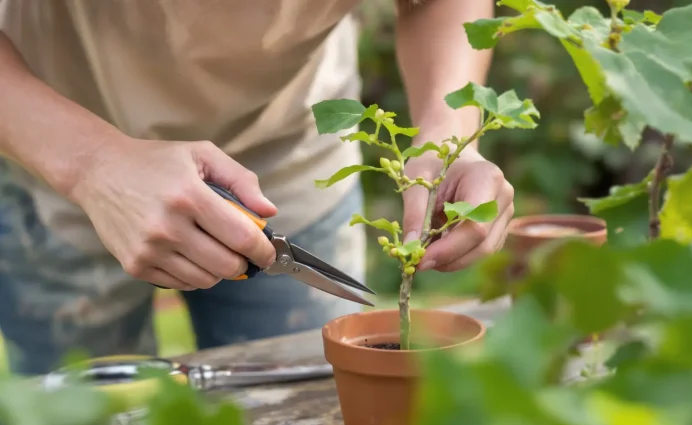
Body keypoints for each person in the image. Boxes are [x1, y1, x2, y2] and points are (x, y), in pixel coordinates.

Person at [0, 0, 515, 376]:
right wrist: (92, 164)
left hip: (290, 159)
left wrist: (448, 138)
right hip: (58, 165)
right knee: (78, 407)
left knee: (310, 388)